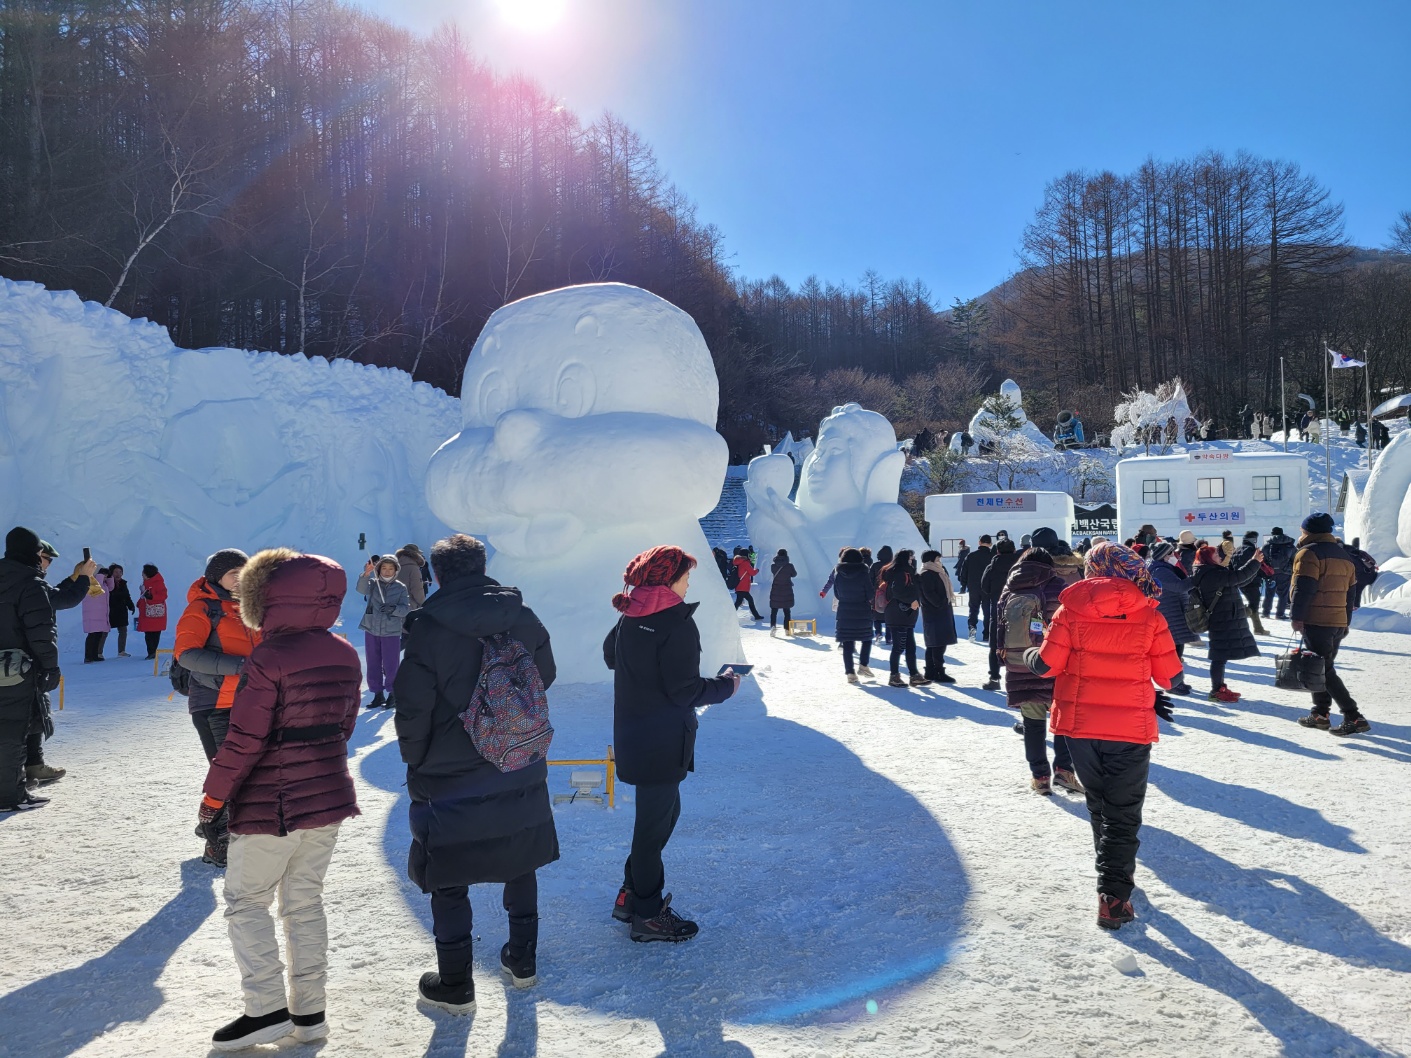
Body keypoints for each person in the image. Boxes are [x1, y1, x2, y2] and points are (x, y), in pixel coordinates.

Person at [201, 548, 362, 1050]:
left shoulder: (268, 657)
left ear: (264, 598)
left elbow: (244, 740)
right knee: (304, 902)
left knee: (246, 901)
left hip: (272, 803)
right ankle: (309, 1013)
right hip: (327, 794)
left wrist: (213, 799)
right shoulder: (345, 652)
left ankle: (266, 1009)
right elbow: (345, 727)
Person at [394, 533, 558, 1012]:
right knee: (520, 857)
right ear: (484, 567)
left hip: (448, 771)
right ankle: (522, 961)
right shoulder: (521, 616)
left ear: (437, 574)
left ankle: (456, 984)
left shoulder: (428, 628)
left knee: (449, 875)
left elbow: (412, 708)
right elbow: (544, 675)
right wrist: (506, 720)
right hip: (517, 759)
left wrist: (417, 760)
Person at [1022, 542, 1182, 930]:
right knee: (1122, 812)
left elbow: (1045, 666)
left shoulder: (1069, 609)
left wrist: (1028, 653)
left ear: (1092, 569)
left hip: (1080, 726)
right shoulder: (1149, 614)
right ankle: (1113, 895)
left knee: (1099, 802)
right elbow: (1170, 679)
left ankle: (1111, 877)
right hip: (1129, 728)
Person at [603, 545, 739, 941]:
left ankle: (631, 895)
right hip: (662, 740)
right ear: (667, 579)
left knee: (664, 816)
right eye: (685, 576)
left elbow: (611, 656)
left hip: (635, 734)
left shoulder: (631, 614)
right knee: (652, 828)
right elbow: (685, 691)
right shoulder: (675, 623)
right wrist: (726, 686)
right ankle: (647, 914)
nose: (688, 583)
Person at [176, 549, 261, 866]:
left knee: (250, 771)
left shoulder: (254, 608)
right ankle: (217, 842)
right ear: (216, 577)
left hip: (253, 703)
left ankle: (214, 824)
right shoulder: (202, 608)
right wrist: (240, 665)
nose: (240, 579)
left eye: (244, 572)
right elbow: (186, 653)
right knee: (229, 773)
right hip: (215, 704)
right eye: (232, 573)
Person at [0, 529, 93, 810]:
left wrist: (78, 578)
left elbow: (52, 595)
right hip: (17, 670)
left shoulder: (13, 578)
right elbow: (41, 633)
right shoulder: (30, 584)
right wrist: (51, 668)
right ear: (33, 553)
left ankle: (21, 779)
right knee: (13, 732)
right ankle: (11, 795)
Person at [996, 547, 1076, 794]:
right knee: (1063, 722)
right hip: (1054, 664)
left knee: (1032, 724)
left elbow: (999, 627)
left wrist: (1001, 658)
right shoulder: (1057, 585)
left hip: (1019, 662)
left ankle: (1040, 777)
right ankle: (1064, 771)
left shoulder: (1010, 588)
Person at [1290, 513, 1367, 735]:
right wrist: (1345, 621)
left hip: (1317, 620)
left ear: (1309, 531)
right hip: (1337, 621)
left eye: (1303, 530)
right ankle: (1320, 713)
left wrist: (1297, 617)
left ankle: (1354, 716)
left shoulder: (1308, 553)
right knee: (1320, 667)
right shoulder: (1343, 555)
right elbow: (1351, 594)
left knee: (1323, 669)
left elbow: (1304, 588)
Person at [1190, 543, 1262, 703]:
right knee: (1218, 656)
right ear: (1208, 558)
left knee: (1220, 656)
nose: (1219, 556)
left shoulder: (1212, 571)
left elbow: (1238, 581)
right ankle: (1216, 690)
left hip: (1224, 617)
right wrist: (1254, 562)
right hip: (1221, 619)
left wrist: (1255, 565)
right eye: (1216, 555)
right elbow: (1238, 577)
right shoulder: (1212, 574)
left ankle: (1219, 687)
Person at [357, 555, 411, 709]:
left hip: (391, 631)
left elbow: (405, 609)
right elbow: (361, 589)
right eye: (384, 568)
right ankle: (377, 694)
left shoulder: (400, 587)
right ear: (379, 569)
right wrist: (366, 574)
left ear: (396, 570)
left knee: (390, 664)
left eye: (391, 568)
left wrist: (393, 609)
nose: (387, 571)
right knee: (373, 662)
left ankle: (393, 694)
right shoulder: (373, 584)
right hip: (371, 628)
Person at [1147, 542, 1196, 695]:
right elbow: (1180, 586)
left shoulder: (1165, 568)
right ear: (1164, 556)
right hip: (1169, 613)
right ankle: (1173, 684)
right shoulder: (1160, 570)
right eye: (1171, 553)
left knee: (1176, 649)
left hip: (1172, 612)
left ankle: (1177, 682)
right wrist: (1197, 578)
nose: (1175, 556)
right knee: (1173, 652)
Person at [880, 549, 928, 688]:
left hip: (906, 615)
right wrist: (911, 601)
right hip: (898, 614)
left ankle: (914, 675)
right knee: (898, 647)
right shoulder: (900, 573)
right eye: (911, 557)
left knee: (910, 647)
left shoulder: (909, 573)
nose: (913, 559)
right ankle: (894, 676)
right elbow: (897, 592)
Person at [979, 538, 1021, 691]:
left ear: (997, 551)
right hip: (1019, 609)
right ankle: (1017, 678)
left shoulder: (992, 567)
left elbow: (985, 587)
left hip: (998, 610)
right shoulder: (1020, 567)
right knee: (1018, 645)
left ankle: (994, 678)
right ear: (1014, 550)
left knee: (995, 646)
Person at [832, 548, 876, 684]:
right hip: (862, 610)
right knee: (867, 638)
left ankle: (850, 673)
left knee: (847, 642)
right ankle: (863, 665)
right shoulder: (864, 573)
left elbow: (837, 594)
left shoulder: (838, 574)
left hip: (844, 611)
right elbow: (870, 594)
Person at [917, 551, 957, 683]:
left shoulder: (939, 571)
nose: (940, 561)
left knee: (935, 643)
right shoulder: (926, 574)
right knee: (936, 643)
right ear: (930, 560)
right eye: (937, 559)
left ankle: (931, 671)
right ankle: (938, 671)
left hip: (941, 612)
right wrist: (940, 603)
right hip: (934, 612)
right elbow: (929, 593)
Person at [1231, 530, 1269, 635]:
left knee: (1253, 604)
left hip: (1239, 581)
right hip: (1252, 581)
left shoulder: (1237, 550)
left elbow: (1231, 565)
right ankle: (1236, 614)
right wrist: (1266, 575)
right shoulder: (1253, 551)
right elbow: (1259, 565)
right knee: (1254, 605)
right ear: (1254, 540)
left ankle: (1258, 628)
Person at [961, 535, 994, 641]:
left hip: (973, 587)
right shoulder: (992, 556)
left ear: (979, 542)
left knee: (973, 609)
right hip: (988, 588)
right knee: (987, 611)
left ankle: (972, 628)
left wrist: (963, 585)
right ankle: (987, 633)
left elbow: (964, 572)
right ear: (990, 544)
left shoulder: (971, 556)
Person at [1261, 527, 1296, 619]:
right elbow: (1295, 559)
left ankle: (1266, 612)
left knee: (1269, 593)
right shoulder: (1290, 546)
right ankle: (1280, 614)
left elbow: (1262, 560)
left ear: (1272, 534)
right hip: (1285, 573)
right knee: (1283, 594)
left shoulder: (1267, 546)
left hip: (1271, 573)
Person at [136, 563, 169, 659]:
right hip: (148, 612)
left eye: (143, 572)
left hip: (155, 612)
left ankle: (152, 651)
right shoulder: (145, 583)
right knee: (149, 633)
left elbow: (163, 595)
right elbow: (143, 597)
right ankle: (151, 651)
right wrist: (139, 603)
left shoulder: (158, 583)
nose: (142, 574)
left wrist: (151, 597)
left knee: (154, 633)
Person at [81, 565, 113, 662]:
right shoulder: (92, 583)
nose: (105, 577)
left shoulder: (104, 585)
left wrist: (110, 578)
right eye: (104, 575)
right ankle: (88, 656)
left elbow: (111, 587)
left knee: (98, 635)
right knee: (92, 635)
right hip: (93, 615)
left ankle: (94, 655)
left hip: (100, 614)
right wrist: (100, 577)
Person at [106, 564, 136, 657]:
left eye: (120, 572)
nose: (118, 574)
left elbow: (127, 596)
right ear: (111, 573)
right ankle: (98, 653)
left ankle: (121, 651)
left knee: (123, 631)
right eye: (116, 572)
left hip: (121, 610)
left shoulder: (123, 583)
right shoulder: (107, 583)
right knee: (104, 632)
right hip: (109, 610)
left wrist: (131, 606)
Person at [868, 545, 894, 645]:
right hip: (889, 593)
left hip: (877, 593)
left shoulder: (875, 565)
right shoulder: (892, 565)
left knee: (876, 615)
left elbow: (870, 580)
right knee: (889, 616)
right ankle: (889, 637)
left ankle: (878, 633)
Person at [730, 547, 763, 620]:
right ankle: (730, 615)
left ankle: (756, 616)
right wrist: (757, 570)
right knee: (744, 602)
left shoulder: (738, 562)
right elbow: (752, 573)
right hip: (743, 586)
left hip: (739, 586)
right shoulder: (745, 563)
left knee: (741, 602)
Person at [768, 549, 796, 635]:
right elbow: (794, 574)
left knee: (774, 610)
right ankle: (787, 629)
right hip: (786, 590)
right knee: (786, 610)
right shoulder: (789, 566)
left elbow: (773, 573)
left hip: (776, 590)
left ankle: (773, 627)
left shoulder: (773, 566)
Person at [395, 545, 428, 610]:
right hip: (409, 608)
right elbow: (417, 590)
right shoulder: (413, 568)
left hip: (395, 607)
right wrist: (424, 605)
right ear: (415, 555)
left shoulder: (394, 567)